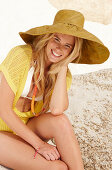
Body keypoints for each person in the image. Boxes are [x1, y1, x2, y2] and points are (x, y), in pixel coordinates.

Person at [0, 9, 110, 170]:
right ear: (47, 38)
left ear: (73, 51)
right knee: (58, 168)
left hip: (25, 128)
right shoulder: (21, 55)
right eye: (56, 39)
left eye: (67, 46)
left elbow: (57, 109)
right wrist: (39, 145)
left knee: (61, 121)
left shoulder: (63, 74)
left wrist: (64, 65)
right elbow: (3, 110)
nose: (59, 48)